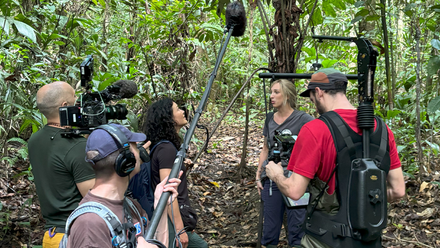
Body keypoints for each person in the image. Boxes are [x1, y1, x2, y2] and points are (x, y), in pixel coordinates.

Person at [266, 68, 406, 248]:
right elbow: (398, 191)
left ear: (318, 92)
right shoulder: (382, 129)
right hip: (369, 240)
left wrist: (276, 174)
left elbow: (294, 191)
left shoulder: (315, 129)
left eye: (312, 99)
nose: (314, 105)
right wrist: (360, 198)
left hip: (325, 238)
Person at [67, 123, 180, 248]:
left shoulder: (132, 206)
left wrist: (161, 206)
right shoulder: (90, 223)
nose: (140, 150)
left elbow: (156, 244)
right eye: (135, 147)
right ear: (127, 160)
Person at [28, 81, 96, 247]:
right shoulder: (76, 145)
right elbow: (93, 195)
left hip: (51, 236)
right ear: (65, 105)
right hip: (76, 235)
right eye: (75, 98)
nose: (78, 103)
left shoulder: (34, 140)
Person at [255, 79, 314, 248]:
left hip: (297, 178)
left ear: (287, 95)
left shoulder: (304, 119)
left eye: (276, 92)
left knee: (297, 229)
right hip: (272, 179)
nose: (271, 96)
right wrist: (259, 175)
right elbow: (265, 148)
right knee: (270, 229)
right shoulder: (269, 119)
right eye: (271, 92)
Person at [143, 98, 208, 248]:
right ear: (169, 119)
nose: (183, 112)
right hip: (168, 221)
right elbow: (168, 193)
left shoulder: (163, 146)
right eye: (178, 109)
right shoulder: (167, 149)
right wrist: (180, 229)